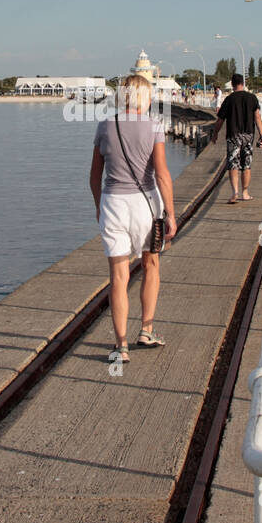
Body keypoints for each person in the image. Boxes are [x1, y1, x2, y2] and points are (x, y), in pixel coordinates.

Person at [90, 74, 177, 364]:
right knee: (151, 263)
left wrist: (98, 206)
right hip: (145, 206)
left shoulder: (105, 125)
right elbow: (162, 174)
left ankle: (121, 346)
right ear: (143, 97)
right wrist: (171, 214)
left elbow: (94, 176)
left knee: (118, 276)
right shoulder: (154, 126)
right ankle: (146, 330)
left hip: (113, 203)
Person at [210, 73, 262, 204]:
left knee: (233, 164)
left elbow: (220, 120)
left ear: (232, 84)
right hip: (248, 135)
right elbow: (257, 117)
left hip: (233, 136)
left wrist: (215, 134)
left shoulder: (229, 99)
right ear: (243, 83)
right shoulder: (252, 98)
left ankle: (235, 192)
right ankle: (245, 193)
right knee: (246, 165)